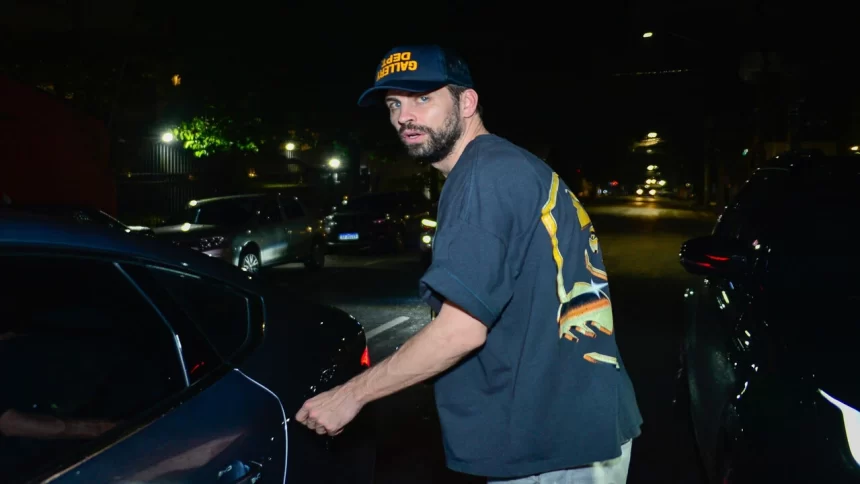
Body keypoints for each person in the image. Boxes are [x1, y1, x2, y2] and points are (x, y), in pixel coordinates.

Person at [296, 45, 643, 483]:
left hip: (553, 441)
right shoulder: (503, 165)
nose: (405, 116)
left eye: (423, 99)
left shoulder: (485, 177)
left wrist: (351, 395)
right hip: (571, 424)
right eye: (394, 104)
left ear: (467, 102)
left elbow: (461, 330)